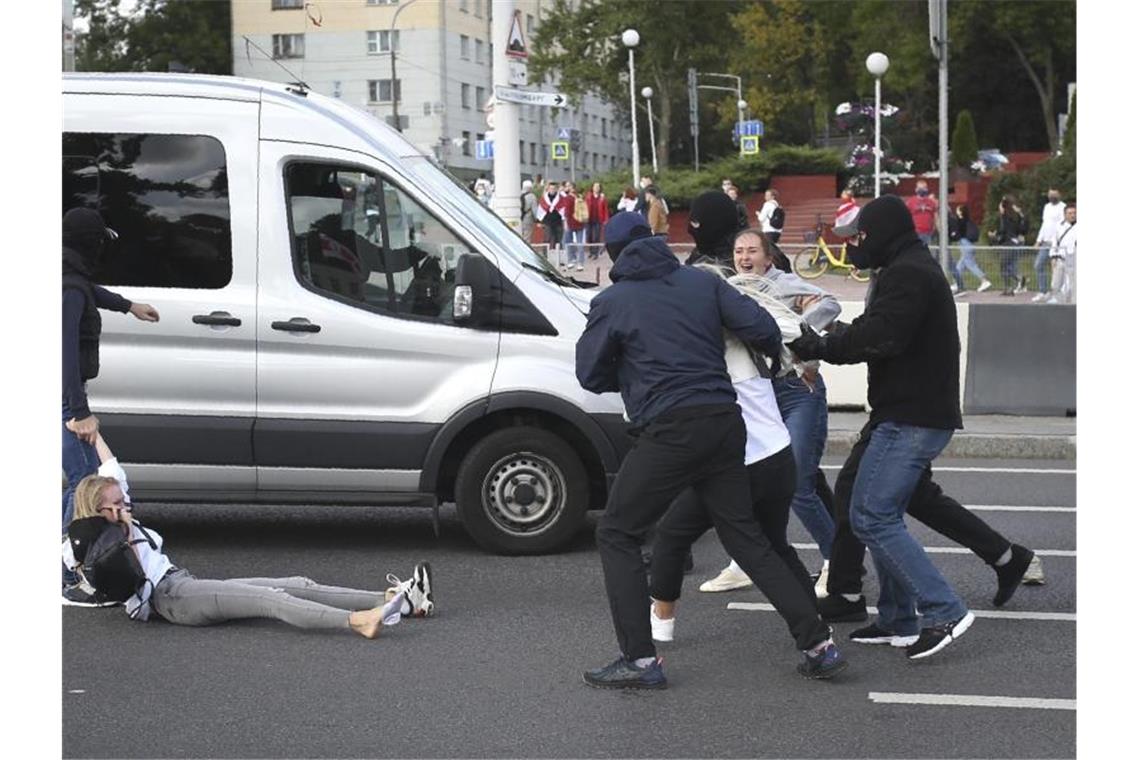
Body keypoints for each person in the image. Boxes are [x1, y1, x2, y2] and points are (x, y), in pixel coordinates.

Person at [575, 212, 843, 688]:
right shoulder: (703, 284)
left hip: (670, 428)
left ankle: (640, 660)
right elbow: (761, 327)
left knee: (617, 532)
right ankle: (819, 645)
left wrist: (637, 368)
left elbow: (590, 375)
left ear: (615, 254)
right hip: (725, 424)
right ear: (658, 243)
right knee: (747, 537)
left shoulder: (612, 301)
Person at [789, 194, 975, 660]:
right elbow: (879, 327)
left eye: (864, 237)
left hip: (913, 416)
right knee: (861, 502)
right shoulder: (903, 268)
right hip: (900, 412)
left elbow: (882, 335)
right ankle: (899, 619)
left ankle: (944, 609)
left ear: (885, 233)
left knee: (873, 515)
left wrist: (819, 344)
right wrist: (832, 336)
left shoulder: (909, 273)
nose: (858, 246)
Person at [646, 251, 845, 681]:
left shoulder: (702, 343)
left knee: (728, 546)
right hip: (776, 455)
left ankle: (816, 641)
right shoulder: (746, 335)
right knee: (772, 545)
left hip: (739, 463)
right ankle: (819, 634)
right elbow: (799, 329)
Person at [63, 432, 435, 635]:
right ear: (100, 510)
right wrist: (123, 528)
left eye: (121, 500)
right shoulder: (99, 540)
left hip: (182, 583)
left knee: (293, 582)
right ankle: (359, 621)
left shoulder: (115, 511)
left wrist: (93, 436)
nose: (124, 503)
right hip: (169, 599)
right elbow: (105, 571)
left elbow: (115, 472)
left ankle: (399, 599)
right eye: (116, 503)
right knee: (268, 599)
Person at [697, 229, 840, 597]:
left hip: (798, 391)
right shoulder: (732, 287)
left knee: (798, 483)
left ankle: (837, 561)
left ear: (768, 257)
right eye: (738, 250)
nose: (744, 256)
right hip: (759, 396)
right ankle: (743, 562)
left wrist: (796, 335)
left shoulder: (782, 283)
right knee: (749, 483)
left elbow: (830, 302)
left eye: (751, 250)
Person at [62, 207, 161, 606]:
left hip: (61, 394)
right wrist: (78, 411)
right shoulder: (69, 286)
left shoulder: (67, 275)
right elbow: (64, 350)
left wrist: (128, 305)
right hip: (64, 395)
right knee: (85, 481)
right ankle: (69, 571)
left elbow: (86, 290)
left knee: (74, 479)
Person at [946, 204, 991, 295]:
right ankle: (957, 283)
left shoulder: (961, 221)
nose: (956, 211)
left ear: (961, 212)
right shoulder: (967, 221)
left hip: (965, 245)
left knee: (971, 265)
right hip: (968, 245)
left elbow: (957, 233)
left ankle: (984, 280)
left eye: (958, 210)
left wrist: (953, 235)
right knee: (959, 266)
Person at [1032, 189, 1066, 302]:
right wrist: (1038, 240)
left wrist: (1057, 241)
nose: (1052, 196)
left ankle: (1057, 293)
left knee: (1056, 268)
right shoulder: (1046, 207)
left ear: (1059, 194)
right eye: (1050, 194)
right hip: (1045, 242)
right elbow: (1044, 223)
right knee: (1038, 265)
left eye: (1054, 193)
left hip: (1057, 243)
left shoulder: (1063, 207)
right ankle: (1043, 291)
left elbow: (1062, 226)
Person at [990, 196, 1028, 296]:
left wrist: (995, 236)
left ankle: (1011, 285)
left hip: (1008, 244)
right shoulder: (1016, 217)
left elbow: (1003, 231)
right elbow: (1022, 229)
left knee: (1004, 266)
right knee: (1008, 265)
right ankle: (1018, 279)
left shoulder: (1005, 218)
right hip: (1015, 243)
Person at [1047, 203, 1076, 304]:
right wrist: (1052, 257)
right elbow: (1054, 242)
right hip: (1060, 259)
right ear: (1065, 214)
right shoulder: (1059, 226)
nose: (1072, 215)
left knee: (1072, 287)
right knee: (1055, 285)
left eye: (1074, 213)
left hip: (1074, 260)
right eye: (1070, 213)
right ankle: (1061, 304)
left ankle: (1073, 307)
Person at [905, 179, 939, 247]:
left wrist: (938, 229)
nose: (922, 190)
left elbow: (936, 217)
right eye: (920, 188)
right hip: (915, 232)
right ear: (916, 189)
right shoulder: (910, 202)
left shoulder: (931, 202)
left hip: (928, 232)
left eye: (924, 188)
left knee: (927, 252)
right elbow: (905, 217)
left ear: (927, 189)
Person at [537, 181, 565, 262]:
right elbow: (540, 210)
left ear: (556, 189)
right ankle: (545, 256)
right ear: (548, 189)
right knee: (547, 238)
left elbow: (563, 209)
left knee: (558, 240)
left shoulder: (560, 198)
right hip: (547, 221)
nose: (552, 190)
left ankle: (559, 258)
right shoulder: (544, 199)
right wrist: (539, 221)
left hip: (558, 221)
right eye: (551, 188)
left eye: (554, 188)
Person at [564, 184, 588, 271]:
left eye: (568, 186)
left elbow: (567, 212)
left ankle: (571, 260)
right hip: (580, 222)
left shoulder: (568, 198)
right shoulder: (580, 197)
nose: (566, 187)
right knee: (580, 243)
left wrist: (565, 223)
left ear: (571, 189)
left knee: (568, 242)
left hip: (570, 223)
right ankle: (580, 263)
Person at [585, 181, 610, 257]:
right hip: (589, 219)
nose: (596, 188)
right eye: (595, 187)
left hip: (598, 219)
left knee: (596, 236)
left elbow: (605, 209)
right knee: (589, 236)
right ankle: (591, 251)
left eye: (598, 187)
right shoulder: (588, 197)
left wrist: (606, 219)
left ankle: (595, 252)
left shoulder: (602, 198)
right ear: (592, 188)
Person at [519, 179, 537, 243]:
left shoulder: (517, 195)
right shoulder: (532, 196)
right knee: (527, 235)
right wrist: (537, 219)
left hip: (519, 218)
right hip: (528, 218)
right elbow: (534, 210)